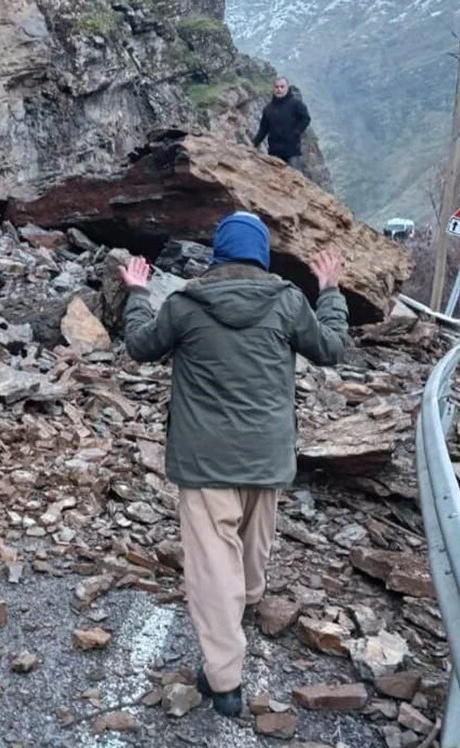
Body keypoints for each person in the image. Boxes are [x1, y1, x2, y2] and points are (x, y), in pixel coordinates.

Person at [119, 211, 348, 717]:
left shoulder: (185, 304)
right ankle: (239, 613)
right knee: (251, 546)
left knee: (213, 562)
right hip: (266, 454)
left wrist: (137, 293)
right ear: (262, 254)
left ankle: (224, 680)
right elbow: (332, 349)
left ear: (218, 252)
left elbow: (140, 347)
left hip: (205, 458)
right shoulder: (288, 301)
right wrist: (330, 292)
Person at [252, 77, 311, 170]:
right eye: (277, 87)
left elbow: (306, 118)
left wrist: (296, 131)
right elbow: (263, 129)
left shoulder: (296, 104)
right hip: (274, 152)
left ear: (287, 87)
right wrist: (254, 143)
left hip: (292, 152)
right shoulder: (268, 109)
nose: (279, 89)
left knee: (293, 177)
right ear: (273, 88)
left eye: (282, 87)